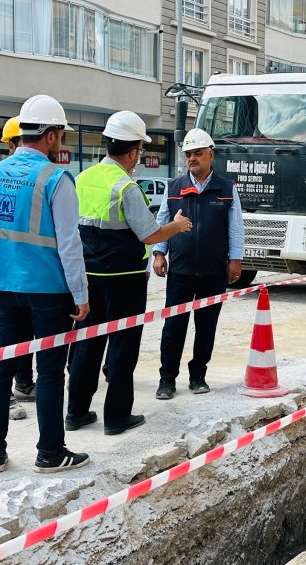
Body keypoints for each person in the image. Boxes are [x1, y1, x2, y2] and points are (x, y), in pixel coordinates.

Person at [0, 95, 91, 474]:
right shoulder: (56, 179)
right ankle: (50, 453)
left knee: (0, 367)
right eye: (61, 134)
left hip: (4, 286)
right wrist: (81, 295)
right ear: (51, 135)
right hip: (47, 290)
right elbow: (69, 243)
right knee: (49, 371)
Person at [68, 111, 192, 435]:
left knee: (87, 344)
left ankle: (76, 412)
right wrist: (177, 227)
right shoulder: (126, 188)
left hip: (87, 279)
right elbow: (150, 235)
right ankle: (116, 418)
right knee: (122, 347)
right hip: (123, 282)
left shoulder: (81, 179)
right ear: (134, 150)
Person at [151, 129, 245, 399]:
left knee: (206, 327)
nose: (192, 158)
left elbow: (236, 227)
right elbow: (162, 223)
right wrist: (159, 253)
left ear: (210, 155)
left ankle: (198, 376)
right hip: (180, 271)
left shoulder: (227, 189)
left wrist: (235, 260)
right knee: (173, 328)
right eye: (188, 154)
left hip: (214, 272)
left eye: (198, 153)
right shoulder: (174, 187)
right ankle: (167, 379)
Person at [0, 116, 37, 405]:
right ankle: (8, 394)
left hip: (22, 274)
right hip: (14, 275)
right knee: (9, 342)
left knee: (27, 335)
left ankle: (24, 383)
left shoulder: (21, 177)